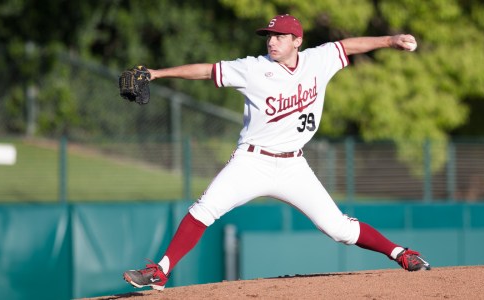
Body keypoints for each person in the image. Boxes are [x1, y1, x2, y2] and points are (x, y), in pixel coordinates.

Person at [123, 14, 430, 291]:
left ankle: (401, 253)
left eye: (280, 36)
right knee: (204, 210)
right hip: (252, 160)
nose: (271, 41)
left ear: (297, 41)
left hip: (293, 165)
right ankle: (160, 271)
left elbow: (349, 45)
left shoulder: (317, 60)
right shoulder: (253, 69)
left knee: (339, 229)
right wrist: (156, 73)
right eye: (269, 36)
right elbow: (206, 70)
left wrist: (389, 40)